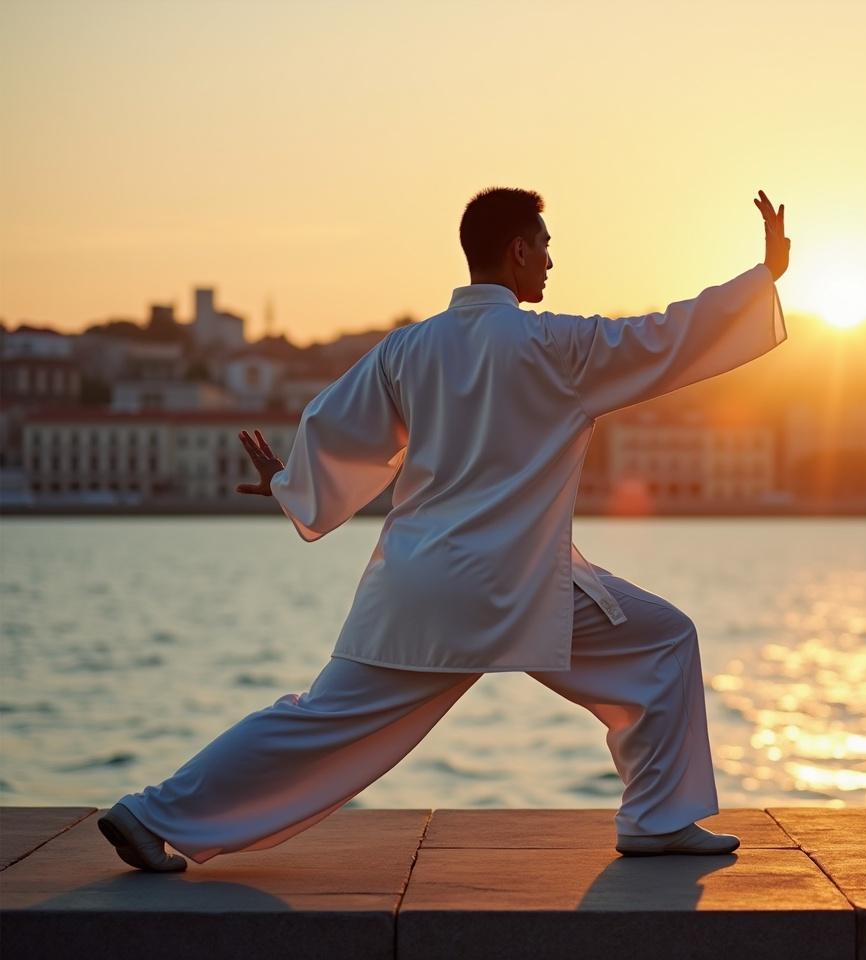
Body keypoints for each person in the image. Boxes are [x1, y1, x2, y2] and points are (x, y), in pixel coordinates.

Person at [97, 188, 791, 871]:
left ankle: (151, 812)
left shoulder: (410, 348)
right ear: (518, 250)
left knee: (318, 719)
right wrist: (762, 279)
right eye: (545, 246)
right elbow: (665, 333)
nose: (550, 261)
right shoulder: (559, 344)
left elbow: (336, 424)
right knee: (664, 644)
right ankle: (657, 820)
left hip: (421, 581)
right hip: (511, 586)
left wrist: (290, 484)